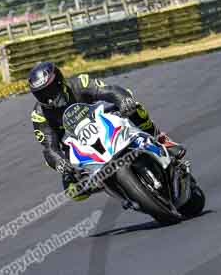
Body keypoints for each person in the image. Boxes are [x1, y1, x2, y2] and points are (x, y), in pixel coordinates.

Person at [28, 61, 184, 201]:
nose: (48, 98)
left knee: (134, 109)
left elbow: (108, 90)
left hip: (100, 120)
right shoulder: (39, 115)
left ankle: (160, 139)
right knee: (74, 192)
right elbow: (49, 148)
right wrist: (61, 163)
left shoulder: (78, 83)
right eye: (41, 94)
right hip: (76, 145)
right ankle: (108, 185)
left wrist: (123, 100)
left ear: (60, 81)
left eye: (50, 90)